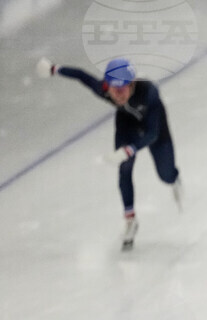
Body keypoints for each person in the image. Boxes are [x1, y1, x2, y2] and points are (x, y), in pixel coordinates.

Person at [35, 56, 181, 250]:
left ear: (132, 85)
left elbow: (152, 134)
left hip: (154, 128)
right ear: (107, 86)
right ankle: (130, 221)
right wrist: (54, 69)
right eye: (114, 90)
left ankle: (174, 177)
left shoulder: (148, 92)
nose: (118, 96)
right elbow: (81, 76)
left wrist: (130, 149)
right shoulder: (104, 89)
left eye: (122, 90)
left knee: (166, 175)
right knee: (124, 167)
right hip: (126, 124)